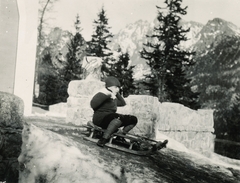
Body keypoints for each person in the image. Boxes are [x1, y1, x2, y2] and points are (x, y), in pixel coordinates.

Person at [90, 76, 138, 147]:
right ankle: (103, 139)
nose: (118, 89)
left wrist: (116, 93)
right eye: (116, 87)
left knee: (133, 119)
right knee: (117, 117)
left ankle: (120, 136)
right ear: (109, 87)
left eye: (118, 87)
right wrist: (107, 94)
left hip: (111, 118)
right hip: (100, 119)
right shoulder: (103, 93)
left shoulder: (113, 96)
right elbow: (93, 104)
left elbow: (122, 103)